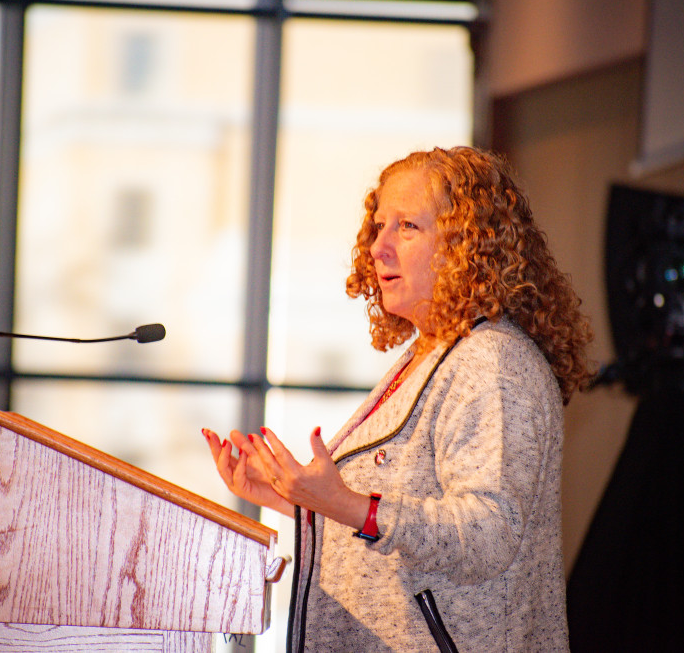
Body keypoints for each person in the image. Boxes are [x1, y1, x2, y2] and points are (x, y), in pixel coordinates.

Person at [203, 146, 593, 651]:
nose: (378, 247)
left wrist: (345, 503)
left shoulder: (492, 362)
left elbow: (488, 532)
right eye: (379, 225)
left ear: (468, 244)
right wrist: (296, 497)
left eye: (407, 227)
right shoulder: (432, 354)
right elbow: (397, 520)